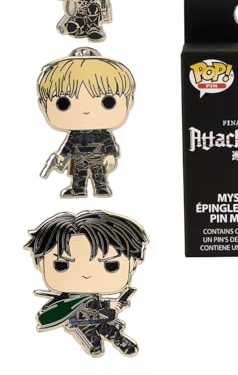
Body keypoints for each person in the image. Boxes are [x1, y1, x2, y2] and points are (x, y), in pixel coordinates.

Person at [25, 211, 148, 357]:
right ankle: (95, 346)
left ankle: (120, 341)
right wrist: (108, 304)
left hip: (98, 318)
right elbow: (89, 303)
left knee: (109, 330)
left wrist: (113, 305)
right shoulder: (68, 302)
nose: (86, 275)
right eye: (61, 265)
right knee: (90, 334)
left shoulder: (85, 298)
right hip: (80, 321)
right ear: (40, 263)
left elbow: (92, 303)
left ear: (132, 263)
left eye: (110, 265)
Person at [38, 48, 135, 197]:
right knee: (79, 175)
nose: (86, 110)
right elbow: (68, 144)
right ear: (43, 105)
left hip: (97, 156)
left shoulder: (102, 133)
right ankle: (78, 189)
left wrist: (110, 155)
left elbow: (108, 142)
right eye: (63, 103)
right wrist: (62, 156)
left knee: (99, 174)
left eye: (108, 102)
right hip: (78, 157)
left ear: (129, 102)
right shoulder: (74, 134)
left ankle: (101, 188)